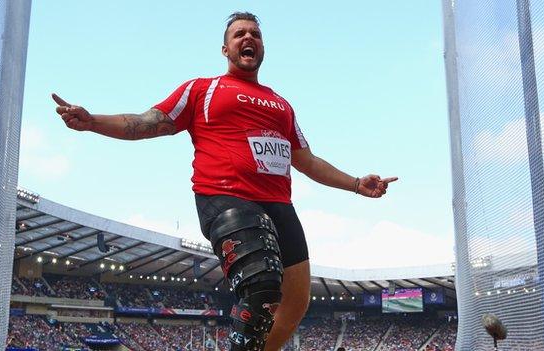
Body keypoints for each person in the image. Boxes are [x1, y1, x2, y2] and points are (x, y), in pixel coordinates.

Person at [52, 11, 397, 351]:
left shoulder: (281, 104)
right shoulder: (202, 89)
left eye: (255, 35)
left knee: (295, 303)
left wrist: (355, 183)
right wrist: (93, 121)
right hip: (226, 198)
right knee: (262, 286)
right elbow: (146, 122)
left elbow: (305, 160)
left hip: (279, 204)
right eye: (239, 34)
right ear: (225, 49)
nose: (249, 38)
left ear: (262, 48)